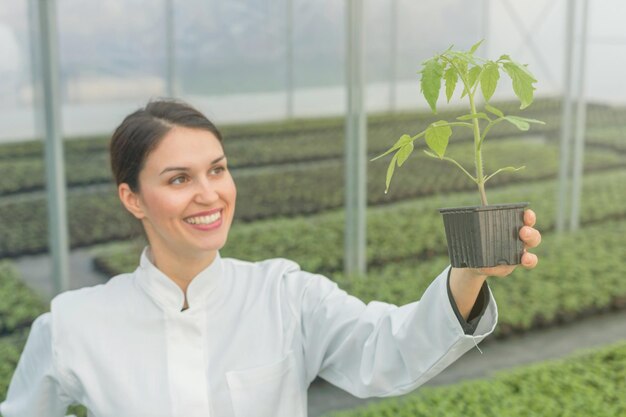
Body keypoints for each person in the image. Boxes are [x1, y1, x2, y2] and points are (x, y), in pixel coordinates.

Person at [1, 99, 541, 417]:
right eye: (178, 179)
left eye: (217, 169)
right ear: (132, 198)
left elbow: (389, 349)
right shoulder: (74, 324)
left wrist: (467, 273)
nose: (209, 194)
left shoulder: (285, 294)